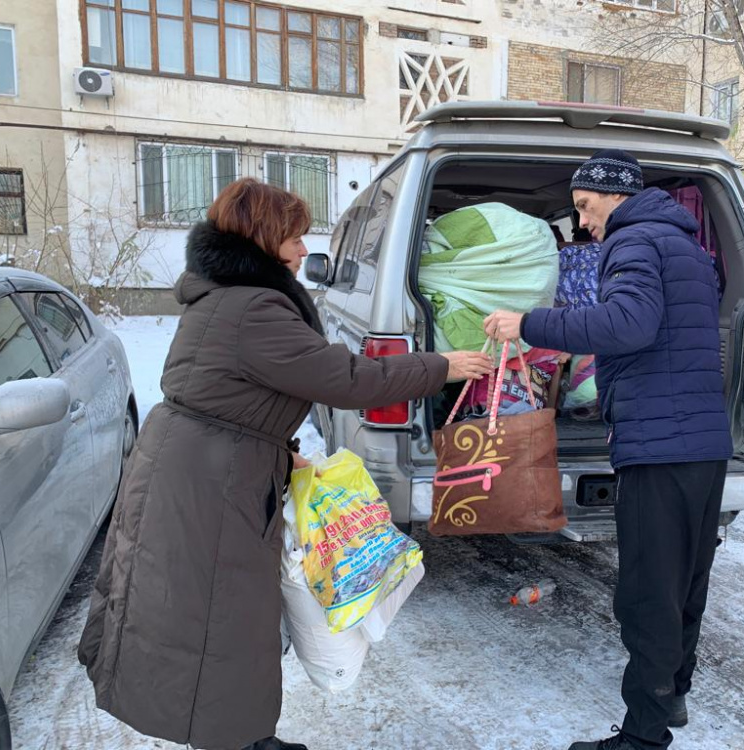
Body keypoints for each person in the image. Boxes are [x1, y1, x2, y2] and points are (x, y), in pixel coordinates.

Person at [78, 178, 491, 750]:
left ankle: (242, 732)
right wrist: (438, 366)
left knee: (224, 611)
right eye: (294, 238)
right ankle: (236, 738)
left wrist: (274, 439)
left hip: (203, 460)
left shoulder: (226, 295)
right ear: (266, 239)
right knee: (219, 614)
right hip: (211, 478)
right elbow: (345, 378)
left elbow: (231, 386)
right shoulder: (254, 307)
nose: (303, 250)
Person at [484, 150, 732, 750]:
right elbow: (659, 330)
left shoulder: (635, 241)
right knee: (684, 583)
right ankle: (670, 697)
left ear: (612, 195)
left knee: (648, 592)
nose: (584, 224)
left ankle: (642, 737)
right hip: (702, 440)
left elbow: (629, 325)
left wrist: (531, 323)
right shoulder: (687, 248)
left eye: (585, 207)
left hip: (659, 444)